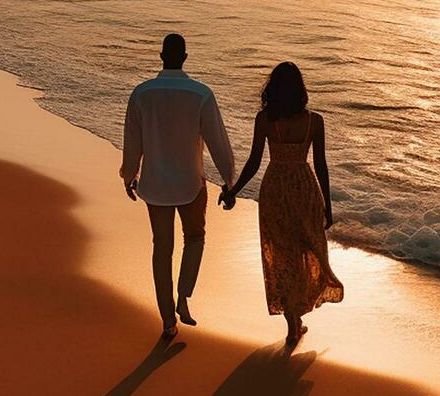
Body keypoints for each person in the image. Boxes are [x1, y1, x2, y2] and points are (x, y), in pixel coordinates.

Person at [121, 33, 236, 339]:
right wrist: (229, 181)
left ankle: (167, 319)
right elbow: (218, 142)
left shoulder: (142, 93)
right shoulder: (200, 94)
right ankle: (183, 296)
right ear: (185, 57)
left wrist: (128, 174)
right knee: (195, 238)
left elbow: (133, 142)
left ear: (161, 56)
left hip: (155, 184)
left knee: (162, 249)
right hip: (190, 182)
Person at [221, 61, 342, 346]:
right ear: (301, 90)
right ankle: (299, 313)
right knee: (308, 248)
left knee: (281, 254)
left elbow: (254, 161)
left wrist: (234, 190)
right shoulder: (315, 121)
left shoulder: (265, 120)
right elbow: (321, 165)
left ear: (272, 89)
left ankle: (293, 322)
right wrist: (327, 204)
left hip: (275, 189)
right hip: (304, 187)